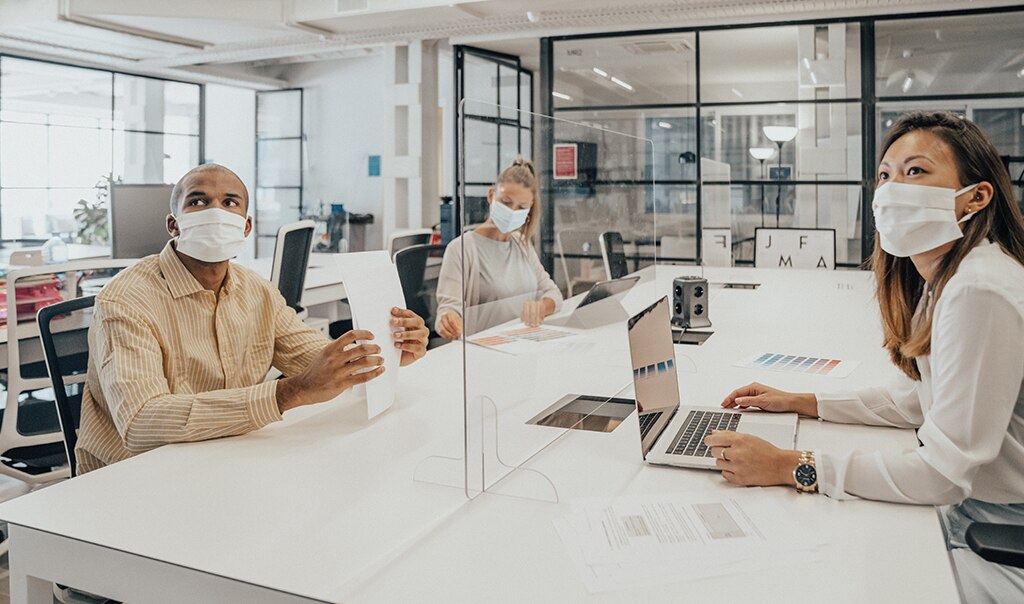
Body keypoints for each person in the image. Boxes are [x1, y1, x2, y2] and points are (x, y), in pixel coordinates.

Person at [704, 111, 1024, 602]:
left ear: (976, 197)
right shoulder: (949, 280)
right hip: (980, 510)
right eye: (885, 175)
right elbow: (917, 404)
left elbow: (943, 473)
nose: (893, 189)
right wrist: (804, 400)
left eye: (915, 171)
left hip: (995, 527)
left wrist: (791, 465)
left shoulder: (978, 287)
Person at [76, 164, 429, 474]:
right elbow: (141, 422)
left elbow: (317, 360)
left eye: (229, 202)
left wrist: (383, 351)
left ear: (245, 226)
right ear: (174, 224)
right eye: (198, 201)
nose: (215, 211)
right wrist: (287, 393)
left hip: (225, 457)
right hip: (132, 477)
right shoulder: (126, 299)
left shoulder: (256, 291)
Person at [435, 156, 563, 339]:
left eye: (521, 207)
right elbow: (447, 311)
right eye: (506, 202)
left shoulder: (522, 244)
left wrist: (541, 307)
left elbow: (554, 293)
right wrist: (448, 320)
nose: (512, 211)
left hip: (525, 343)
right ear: (491, 196)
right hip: (484, 350)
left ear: (529, 209)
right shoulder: (462, 249)